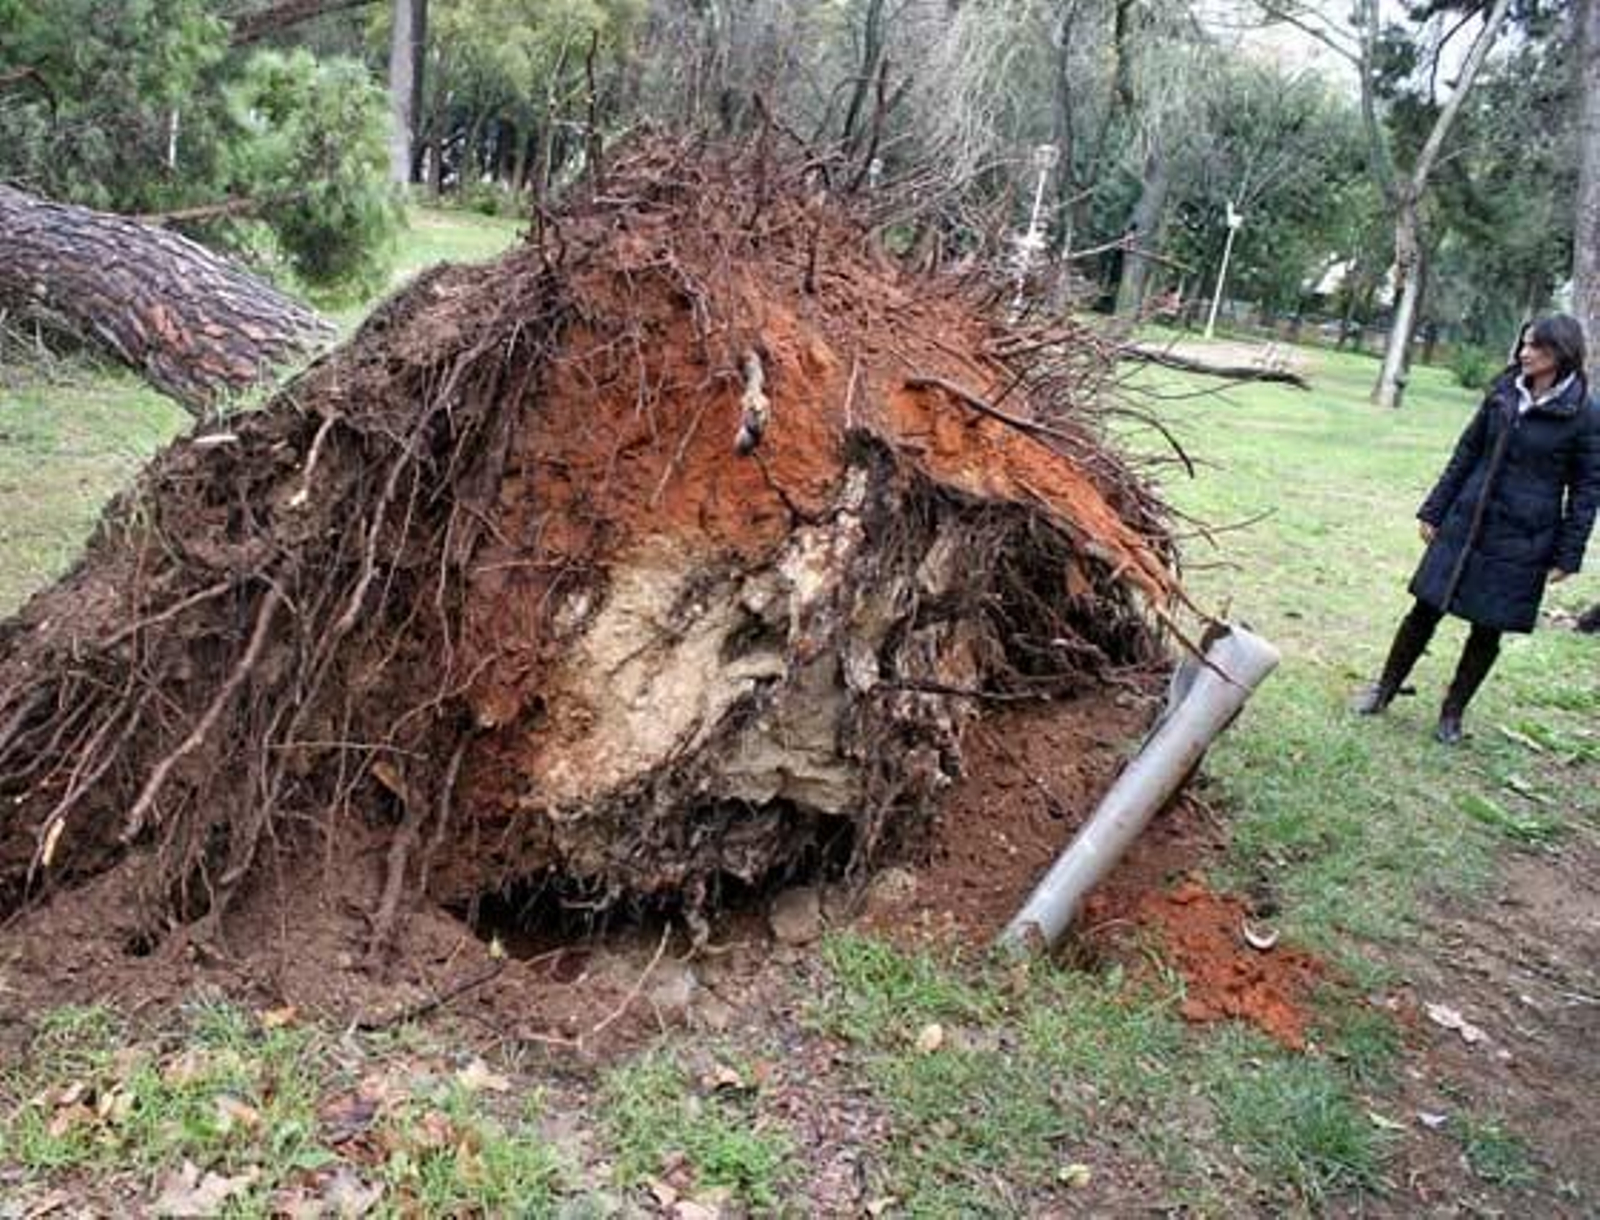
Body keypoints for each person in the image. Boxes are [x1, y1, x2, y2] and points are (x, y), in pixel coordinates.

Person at [1353, 314, 1600, 743]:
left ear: (1561, 353)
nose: (1523, 353)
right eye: (1523, 344)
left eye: (1535, 348)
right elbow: (1467, 451)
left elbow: (1586, 488)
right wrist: (1434, 508)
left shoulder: (1584, 413)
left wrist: (1568, 555)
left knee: (1489, 627)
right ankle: (1384, 690)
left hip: (1524, 536)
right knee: (1424, 609)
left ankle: (1452, 714)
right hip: (1467, 520)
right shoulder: (1504, 391)